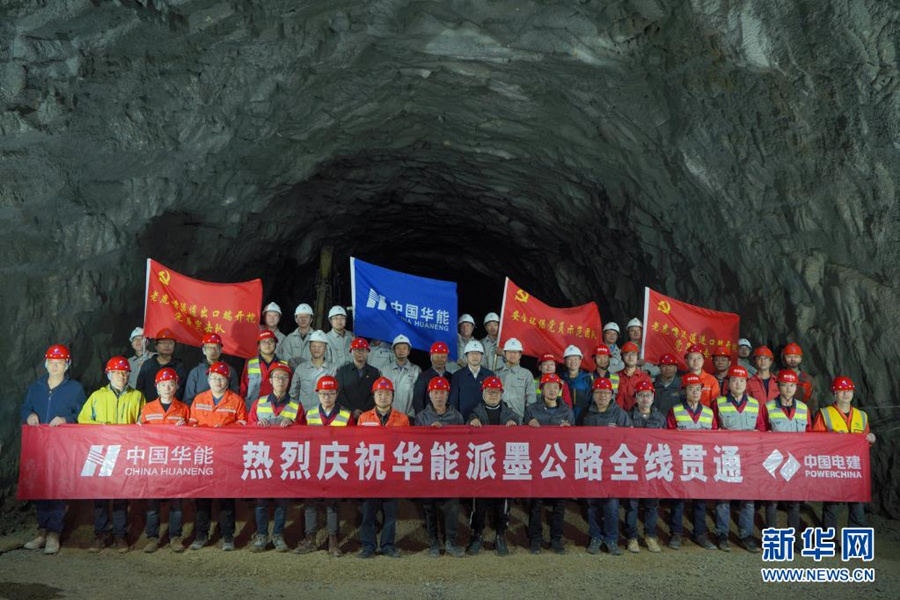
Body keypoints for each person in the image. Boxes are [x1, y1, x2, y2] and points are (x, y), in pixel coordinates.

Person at [21, 344, 86, 555]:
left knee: (57, 487)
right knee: (41, 487)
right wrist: (29, 415)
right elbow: (25, 407)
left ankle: (54, 533)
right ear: (46, 363)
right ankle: (42, 530)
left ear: (67, 365)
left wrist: (67, 420)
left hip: (62, 447)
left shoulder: (75, 389)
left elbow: (83, 415)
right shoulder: (36, 387)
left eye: (60, 362)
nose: (55, 366)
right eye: (52, 362)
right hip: (39, 446)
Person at [78, 356, 146, 552]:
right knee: (100, 494)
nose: (121, 376)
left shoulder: (137, 396)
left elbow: (144, 422)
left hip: (125, 452)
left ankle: (120, 535)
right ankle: (100, 534)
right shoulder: (97, 396)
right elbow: (83, 420)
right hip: (103, 451)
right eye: (116, 373)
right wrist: (99, 426)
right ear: (109, 374)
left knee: (120, 495)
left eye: (124, 373)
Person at [189, 361, 247, 551]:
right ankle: (201, 535)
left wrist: (227, 430)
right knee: (203, 498)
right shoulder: (199, 399)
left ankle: (228, 536)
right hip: (204, 456)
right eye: (214, 378)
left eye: (221, 378)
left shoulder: (236, 401)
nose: (217, 382)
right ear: (208, 380)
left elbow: (243, 426)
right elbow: (192, 425)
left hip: (226, 457)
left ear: (227, 380)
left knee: (226, 498)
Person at [712, 365, 765, 553]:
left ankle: (746, 535)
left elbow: (761, 430)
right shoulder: (718, 403)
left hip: (748, 458)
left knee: (748, 499)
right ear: (728, 383)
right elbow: (712, 430)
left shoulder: (755, 404)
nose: (738, 383)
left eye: (742, 380)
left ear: (746, 383)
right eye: (734, 380)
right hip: (726, 456)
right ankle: (722, 534)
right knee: (723, 498)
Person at [249, 363, 301, 552]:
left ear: (289, 381)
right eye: (277, 377)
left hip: (284, 460)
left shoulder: (296, 406)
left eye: (284, 378)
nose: (280, 381)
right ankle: (262, 535)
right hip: (262, 458)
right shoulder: (259, 403)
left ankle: (278, 535)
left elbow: (304, 434)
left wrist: (293, 423)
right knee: (261, 500)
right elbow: (246, 430)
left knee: (282, 500)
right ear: (270, 381)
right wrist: (257, 425)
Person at [298, 375, 353, 556]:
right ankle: (310, 539)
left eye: (330, 393)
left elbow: (353, 443)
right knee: (310, 502)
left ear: (336, 394)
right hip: (314, 464)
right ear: (318, 395)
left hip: (335, 465)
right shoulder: (311, 414)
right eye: (323, 394)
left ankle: (333, 541)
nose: (327, 397)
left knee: (332, 503)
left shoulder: (346, 415)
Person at [813, 376, 876, 530]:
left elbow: (864, 442)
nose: (846, 394)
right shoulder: (825, 413)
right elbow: (814, 441)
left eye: (849, 390)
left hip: (855, 468)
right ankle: (830, 541)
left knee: (857, 506)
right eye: (841, 391)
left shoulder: (862, 416)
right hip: (834, 468)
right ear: (834, 393)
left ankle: (855, 544)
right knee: (832, 506)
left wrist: (871, 439)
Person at [138, 367, 190, 553]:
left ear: (176, 386)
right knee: (152, 503)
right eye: (163, 384)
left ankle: (175, 537)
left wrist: (187, 427)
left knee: (176, 503)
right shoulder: (147, 408)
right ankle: (152, 537)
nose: (167, 388)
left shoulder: (184, 409)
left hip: (175, 463)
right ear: (156, 387)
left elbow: (191, 438)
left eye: (170, 384)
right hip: (154, 463)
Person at [467, 376, 520, 556]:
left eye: (496, 392)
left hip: (503, 465)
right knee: (479, 502)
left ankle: (500, 535)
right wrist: (471, 424)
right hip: (483, 464)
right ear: (483, 393)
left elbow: (520, 434)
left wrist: (515, 426)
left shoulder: (510, 414)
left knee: (503, 501)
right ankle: (477, 534)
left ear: (501, 394)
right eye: (489, 391)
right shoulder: (474, 413)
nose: (492, 395)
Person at [357, 377, 409, 558]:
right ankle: (368, 546)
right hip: (370, 471)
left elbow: (406, 446)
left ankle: (387, 545)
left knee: (390, 514)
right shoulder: (363, 418)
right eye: (379, 393)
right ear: (374, 396)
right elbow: (358, 445)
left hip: (392, 473)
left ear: (392, 396)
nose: (383, 397)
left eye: (387, 394)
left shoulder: (402, 419)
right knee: (368, 514)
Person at [414, 377, 465, 557]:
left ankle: (451, 542)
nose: (439, 396)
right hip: (430, 469)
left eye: (442, 392)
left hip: (450, 469)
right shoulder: (421, 417)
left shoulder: (457, 416)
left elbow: (463, 443)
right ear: (429, 394)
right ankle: (433, 543)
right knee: (430, 508)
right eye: (435, 392)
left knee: (452, 507)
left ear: (447, 394)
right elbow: (416, 445)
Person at [666, 373, 717, 551]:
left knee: (700, 500)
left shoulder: (709, 413)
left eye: (698, 389)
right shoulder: (676, 410)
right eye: (691, 389)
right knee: (678, 500)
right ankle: (676, 533)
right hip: (681, 462)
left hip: (702, 463)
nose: (695, 392)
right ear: (684, 391)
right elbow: (669, 436)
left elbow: (716, 438)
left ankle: (700, 533)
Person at [524, 373, 574, 554]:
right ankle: (535, 539)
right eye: (548, 386)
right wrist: (528, 424)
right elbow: (521, 436)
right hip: (538, 463)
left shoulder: (567, 411)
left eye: (556, 387)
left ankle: (556, 539)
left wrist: (568, 431)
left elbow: (574, 440)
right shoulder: (531, 410)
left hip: (559, 463)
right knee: (536, 503)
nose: (552, 390)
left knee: (559, 503)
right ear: (541, 389)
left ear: (560, 390)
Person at [583, 377, 630, 555]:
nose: (602, 396)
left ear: (612, 395)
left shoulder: (620, 415)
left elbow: (631, 440)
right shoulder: (586, 415)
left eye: (606, 392)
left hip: (613, 468)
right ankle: (595, 537)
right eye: (599, 392)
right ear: (593, 395)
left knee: (611, 505)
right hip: (592, 465)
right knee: (593, 504)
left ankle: (611, 539)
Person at [763, 370, 811, 532]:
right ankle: (771, 536)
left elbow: (810, 435)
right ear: (778, 386)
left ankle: (795, 538)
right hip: (775, 459)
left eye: (792, 385)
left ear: (796, 388)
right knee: (772, 501)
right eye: (785, 385)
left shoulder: (804, 408)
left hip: (795, 460)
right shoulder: (768, 407)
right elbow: (760, 432)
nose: (789, 389)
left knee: (794, 502)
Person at [625, 380, 665, 553]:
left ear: (653, 397)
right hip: (632, 466)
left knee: (651, 504)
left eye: (648, 395)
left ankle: (650, 536)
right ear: (636, 398)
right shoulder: (626, 416)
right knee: (632, 505)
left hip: (652, 466)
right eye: (641, 395)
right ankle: (631, 537)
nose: (644, 399)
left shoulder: (660, 418)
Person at [241, 329, 290, 411]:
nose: (267, 344)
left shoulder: (284, 364)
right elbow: (243, 387)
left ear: (275, 344)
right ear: (259, 346)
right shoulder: (250, 363)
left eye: (271, 341)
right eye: (264, 342)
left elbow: (288, 388)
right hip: (253, 409)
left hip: (278, 409)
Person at [183, 333, 239, 405]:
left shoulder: (230, 371)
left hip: (223, 414)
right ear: (204, 350)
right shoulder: (195, 372)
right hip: (200, 413)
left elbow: (234, 398)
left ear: (221, 350)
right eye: (209, 347)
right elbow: (188, 400)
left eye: (216, 347)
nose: (213, 351)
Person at [335, 337, 381, 420]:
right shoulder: (342, 371)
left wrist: (364, 411)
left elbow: (376, 394)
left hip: (368, 415)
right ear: (351, 352)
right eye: (356, 350)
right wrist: (352, 410)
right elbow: (339, 393)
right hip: (346, 415)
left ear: (368, 352)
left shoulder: (374, 372)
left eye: (363, 350)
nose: (360, 353)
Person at [289, 329, 335, 412]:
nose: (316, 349)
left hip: (325, 416)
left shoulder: (333, 369)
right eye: (314, 346)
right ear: (309, 347)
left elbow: (337, 394)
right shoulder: (301, 369)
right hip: (304, 415)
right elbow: (293, 394)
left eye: (320, 346)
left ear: (325, 348)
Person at [136, 328, 187, 402]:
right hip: (149, 409)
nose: (167, 346)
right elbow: (139, 389)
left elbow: (182, 391)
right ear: (156, 346)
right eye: (163, 342)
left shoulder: (179, 367)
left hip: (172, 409)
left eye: (170, 343)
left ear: (174, 346)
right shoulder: (147, 365)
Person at [493, 338, 536, 420]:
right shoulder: (496, 374)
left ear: (520, 355)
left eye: (515, 352)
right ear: (504, 354)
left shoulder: (526, 374)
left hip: (519, 419)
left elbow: (531, 401)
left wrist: (528, 419)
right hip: (499, 419)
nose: (512, 355)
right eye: (509, 352)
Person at [382, 334, 421, 417]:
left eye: (404, 348)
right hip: (389, 417)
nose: (401, 351)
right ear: (394, 350)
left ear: (408, 351)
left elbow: (418, 397)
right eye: (398, 348)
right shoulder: (385, 371)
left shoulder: (416, 371)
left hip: (409, 416)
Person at [412, 342, 455, 414]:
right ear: (431, 357)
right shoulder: (423, 377)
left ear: (447, 358)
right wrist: (423, 420)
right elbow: (418, 402)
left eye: (443, 357)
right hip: (428, 420)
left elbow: (453, 400)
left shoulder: (451, 377)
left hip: (448, 419)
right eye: (436, 357)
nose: (439, 360)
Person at [615, 341, 653, 411]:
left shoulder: (645, 378)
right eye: (627, 354)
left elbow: (648, 401)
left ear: (637, 357)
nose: (630, 357)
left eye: (633, 354)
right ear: (622, 357)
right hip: (618, 417)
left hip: (637, 418)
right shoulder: (615, 377)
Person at [560, 345, 592, 423]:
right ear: (565, 361)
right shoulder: (560, 378)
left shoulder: (587, 378)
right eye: (569, 359)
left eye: (575, 359)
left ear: (580, 360)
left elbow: (592, 400)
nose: (573, 362)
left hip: (583, 417)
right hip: (563, 417)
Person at [781, 343, 815, 413]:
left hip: (801, 416)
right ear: (784, 358)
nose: (793, 359)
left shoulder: (808, 379)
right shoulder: (778, 377)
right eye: (789, 356)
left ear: (800, 359)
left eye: (796, 356)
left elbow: (812, 402)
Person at [652, 353, 682, 417]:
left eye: (670, 366)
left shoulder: (682, 387)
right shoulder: (653, 387)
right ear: (660, 368)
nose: (667, 368)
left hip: (676, 423)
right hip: (657, 423)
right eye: (664, 366)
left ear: (676, 369)